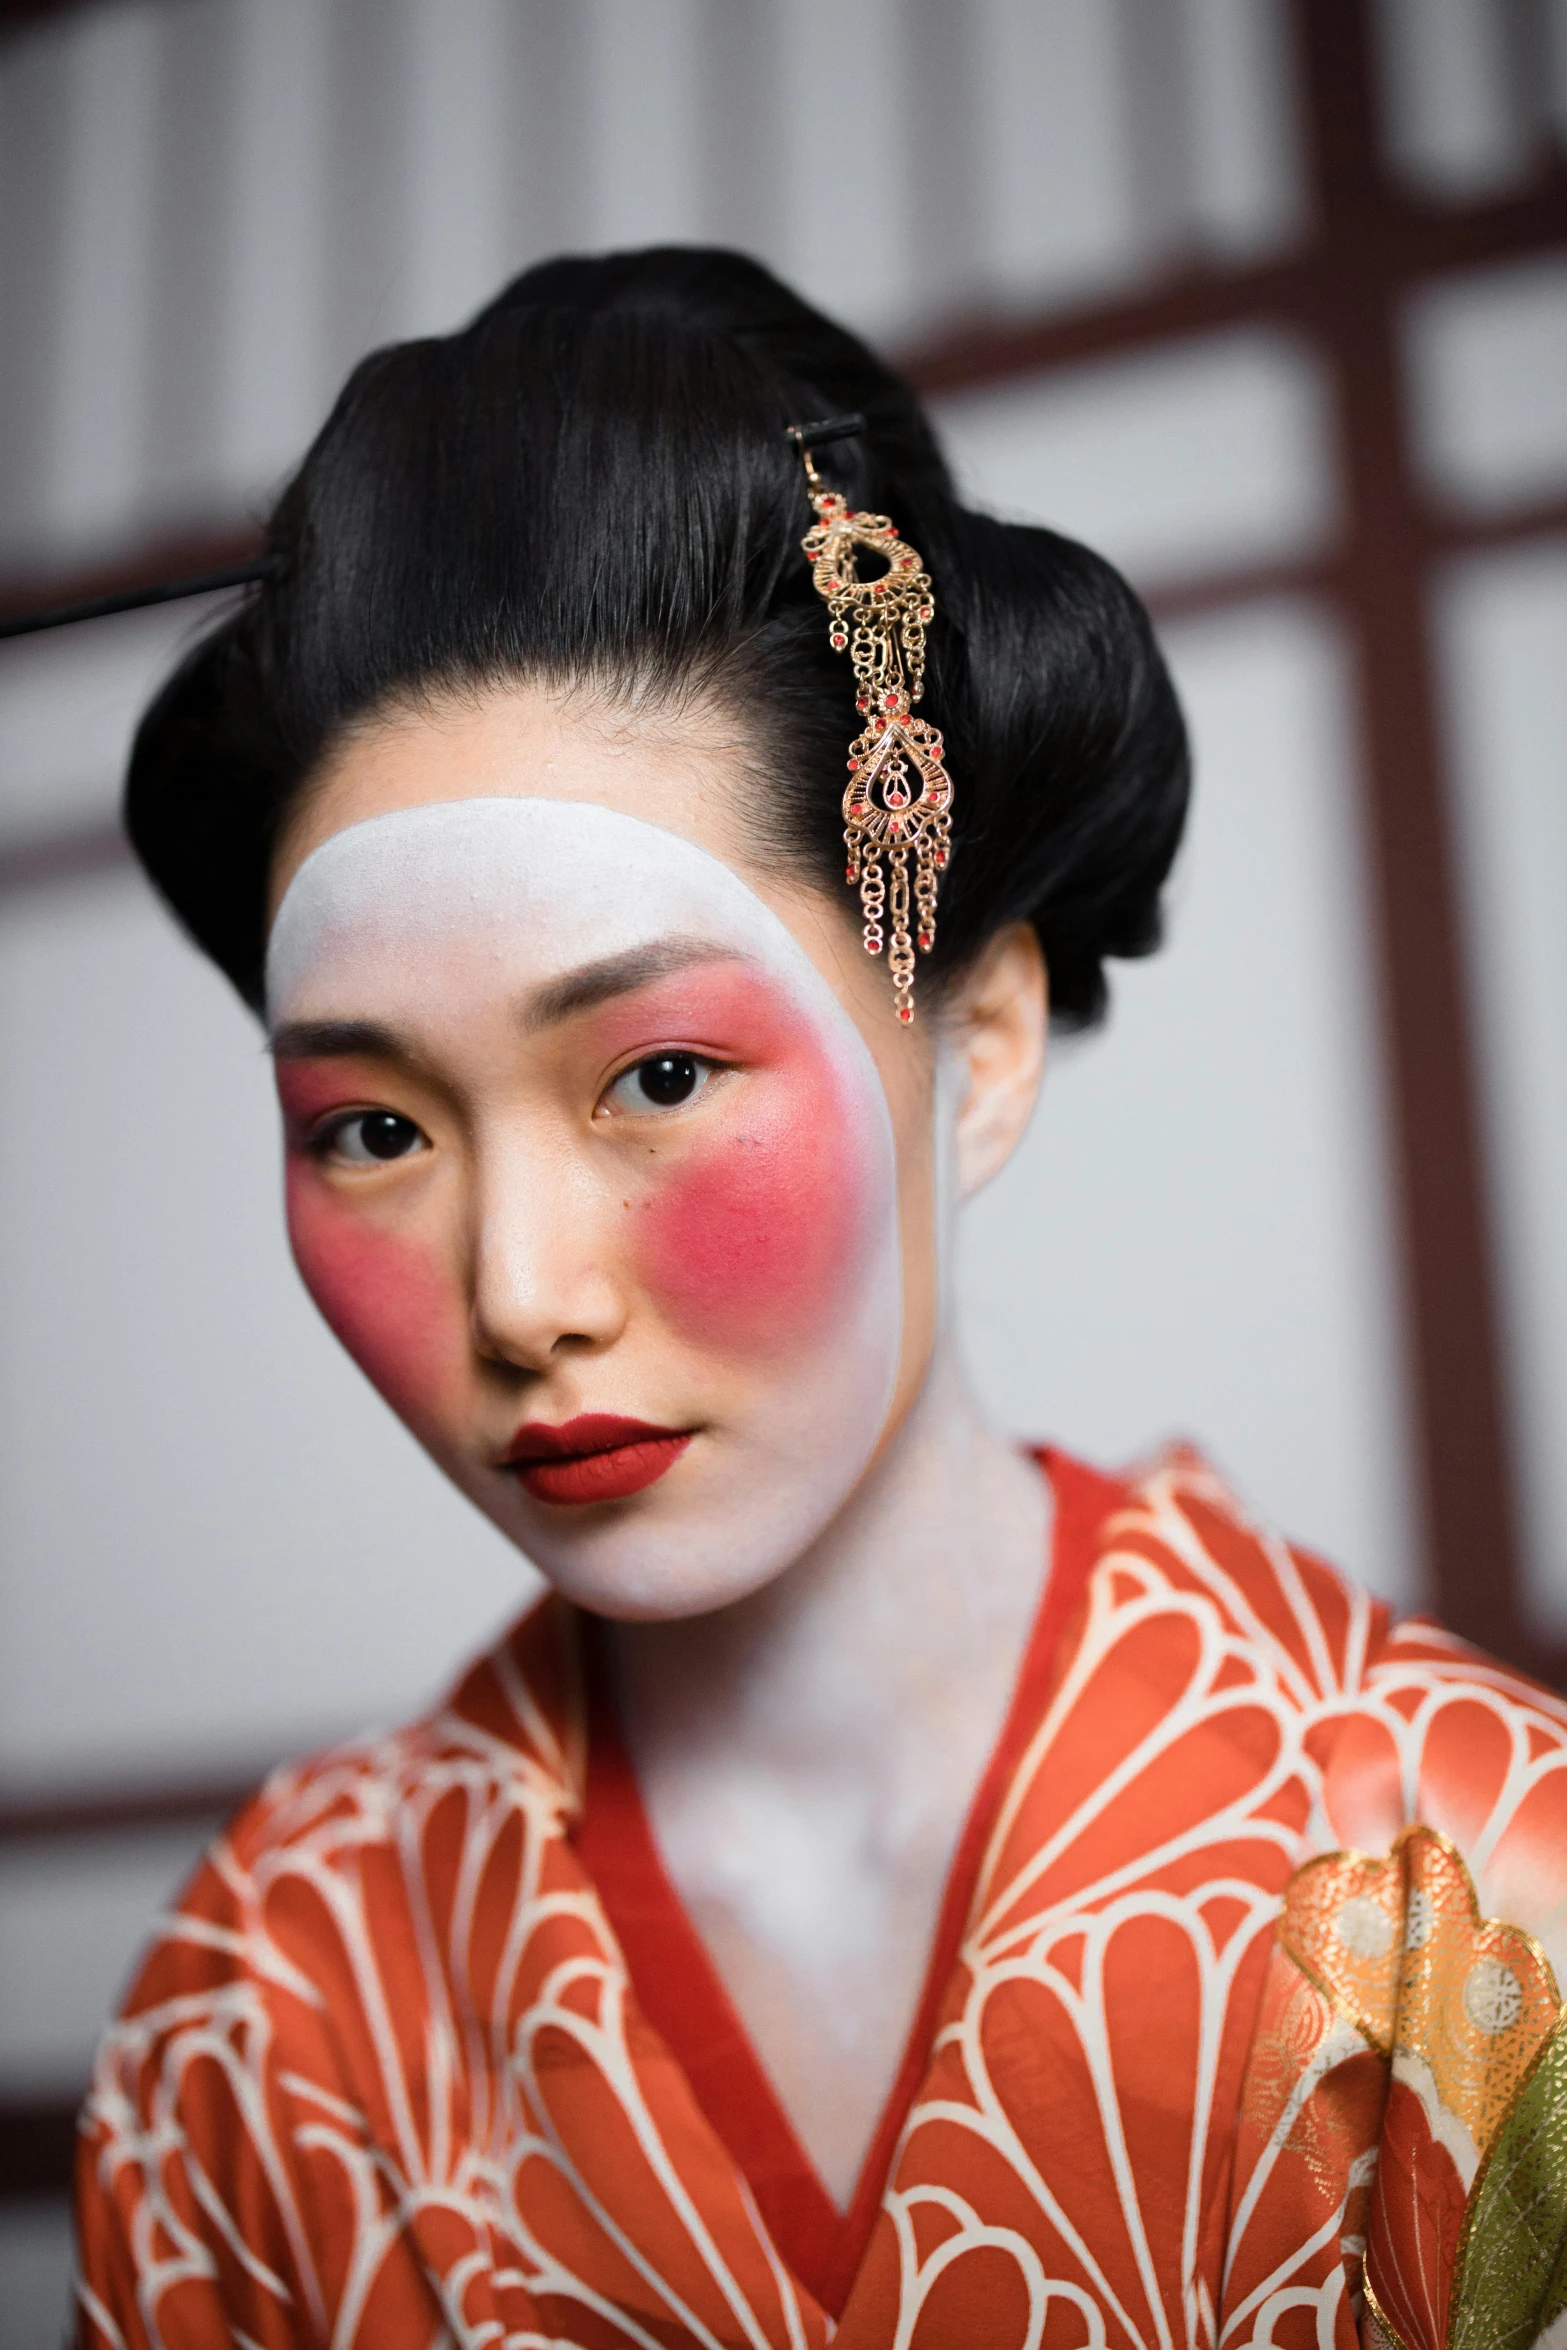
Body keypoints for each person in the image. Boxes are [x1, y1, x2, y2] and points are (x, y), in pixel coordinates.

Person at [73, 248, 1566, 2350]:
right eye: (372, 1127)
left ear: (987, 1040)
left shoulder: (1478, 1882)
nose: (521, 1294)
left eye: (660, 1074)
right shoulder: (266, 2002)